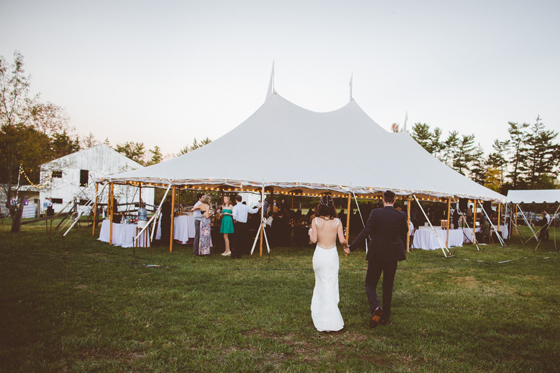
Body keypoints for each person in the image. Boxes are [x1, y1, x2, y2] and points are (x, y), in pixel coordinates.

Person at [345, 190, 407, 328]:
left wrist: (351, 248)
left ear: (383, 199)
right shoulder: (401, 215)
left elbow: (365, 232)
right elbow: (405, 231)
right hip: (392, 254)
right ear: (395, 200)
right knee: (388, 285)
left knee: (370, 283)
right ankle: (385, 317)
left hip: (377, 253)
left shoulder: (375, 213)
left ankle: (376, 308)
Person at [308, 195, 348, 332]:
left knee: (320, 283)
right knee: (331, 283)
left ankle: (320, 315)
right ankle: (332, 318)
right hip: (331, 255)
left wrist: (309, 233)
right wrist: (346, 245)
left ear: (320, 206)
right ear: (332, 207)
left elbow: (314, 240)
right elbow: (342, 240)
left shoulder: (315, 221)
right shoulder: (337, 221)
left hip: (319, 254)